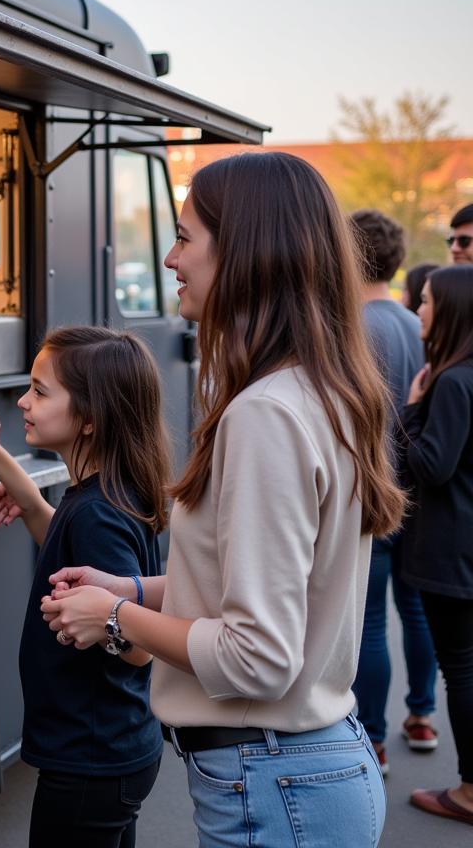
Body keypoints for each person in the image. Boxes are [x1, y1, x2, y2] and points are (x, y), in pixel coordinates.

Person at [42, 152, 405, 847]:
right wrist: (138, 588)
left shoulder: (265, 414)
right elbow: (270, 589)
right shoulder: (315, 392)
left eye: (184, 237)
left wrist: (114, 616)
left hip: (275, 780)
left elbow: (259, 656)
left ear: (243, 253)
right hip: (296, 773)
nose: (171, 258)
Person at [0, 326, 168, 848]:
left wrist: (107, 620)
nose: (23, 401)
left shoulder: (96, 516)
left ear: (89, 419)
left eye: (40, 391)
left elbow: (138, 651)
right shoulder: (99, 494)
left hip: (91, 758)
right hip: (112, 752)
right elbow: (54, 533)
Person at [349, 210, 438, 774]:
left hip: (372, 493)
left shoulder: (353, 328)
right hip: (421, 489)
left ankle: (374, 739)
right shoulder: (417, 324)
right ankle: (422, 715)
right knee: (416, 610)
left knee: (370, 622)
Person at [402, 264, 473, 826]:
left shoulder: (450, 382)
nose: (418, 310)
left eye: (425, 301)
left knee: (462, 669)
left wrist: (409, 408)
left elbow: (432, 465)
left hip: (449, 550)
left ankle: (470, 790)